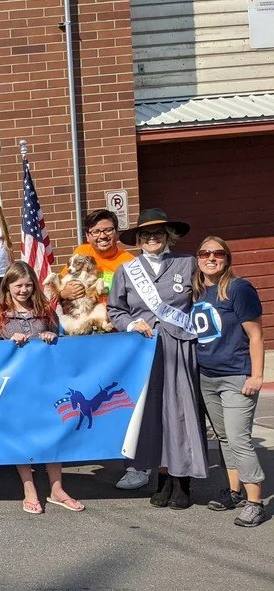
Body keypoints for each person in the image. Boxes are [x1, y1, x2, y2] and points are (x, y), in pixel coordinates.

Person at [108, 209, 206, 509]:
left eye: (158, 233)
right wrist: (130, 324)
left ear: (168, 237)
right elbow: (115, 311)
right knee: (153, 415)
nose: (152, 238)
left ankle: (183, 480)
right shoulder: (127, 270)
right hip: (145, 350)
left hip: (180, 348)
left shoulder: (187, 263)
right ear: (138, 239)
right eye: (146, 234)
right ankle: (162, 478)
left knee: (181, 412)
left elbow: (203, 304)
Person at [49, 209, 142, 490]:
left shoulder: (129, 262)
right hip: (83, 339)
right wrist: (62, 293)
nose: (102, 236)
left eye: (108, 230)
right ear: (89, 235)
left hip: (117, 340)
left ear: (116, 231)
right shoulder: (81, 253)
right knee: (82, 392)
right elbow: (60, 290)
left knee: (126, 398)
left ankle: (137, 466)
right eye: (96, 232)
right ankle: (77, 451)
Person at [0, 262, 84, 514]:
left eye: (28, 285)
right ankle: (29, 488)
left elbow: (61, 349)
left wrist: (51, 338)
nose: (24, 290)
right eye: (18, 285)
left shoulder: (45, 312)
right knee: (21, 435)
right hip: (14, 388)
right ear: (7, 286)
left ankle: (56, 488)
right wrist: (7, 344)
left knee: (53, 432)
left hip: (45, 384)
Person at [191, 236, 266, 527]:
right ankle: (234, 492)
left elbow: (256, 335)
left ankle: (255, 501)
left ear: (227, 258)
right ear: (198, 258)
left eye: (217, 253)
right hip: (207, 376)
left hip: (236, 376)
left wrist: (257, 376)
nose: (211, 257)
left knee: (239, 438)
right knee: (223, 438)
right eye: (204, 252)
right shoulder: (198, 291)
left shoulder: (238, 288)